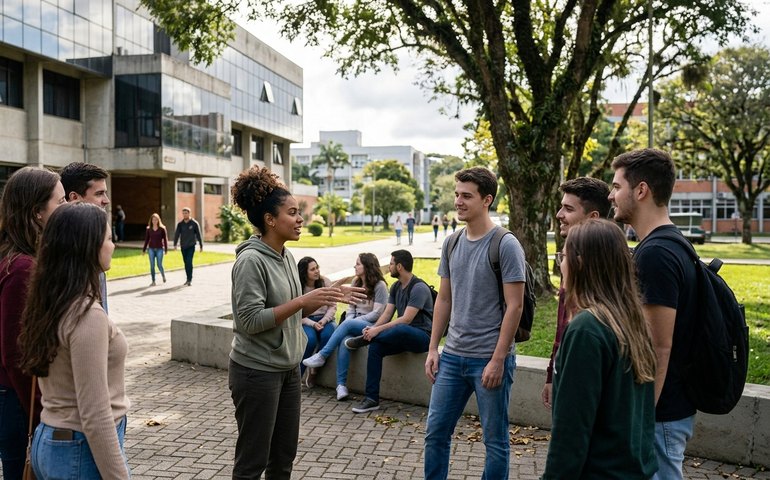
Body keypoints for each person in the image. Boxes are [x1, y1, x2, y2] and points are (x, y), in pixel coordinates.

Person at [227, 166, 365, 479]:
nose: (300, 218)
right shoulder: (250, 261)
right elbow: (249, 320)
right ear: (269, 220)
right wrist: (303, 302)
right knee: (252, 463)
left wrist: (326, 295)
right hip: (257, 372)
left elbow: (288, 311)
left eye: (299, 211)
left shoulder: (287, 256)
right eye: (292, 212)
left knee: (283, 458)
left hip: (289, 368)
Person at [424, 166, 526, 480]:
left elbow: (515, 306)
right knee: (435, 434)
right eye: (457, 194)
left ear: (487, 200)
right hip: (452, 358)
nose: (458, 201)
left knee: (494, 441)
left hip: (488, 360)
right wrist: (433, 349)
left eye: (466, 196)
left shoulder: (505, 244)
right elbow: (444, 299)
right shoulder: (452, 242)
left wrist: (497, 359)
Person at [19, 202, 130, 479]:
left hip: (52, 440)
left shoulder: (52, 301)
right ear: (87, 247)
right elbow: (94, 412)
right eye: (107, 238)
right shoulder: (86, 315)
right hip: (79, 450)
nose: (113, 245)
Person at [542, 219, 657, 478]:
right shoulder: (631, 319)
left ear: (579, 262)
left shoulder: (587, 329)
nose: (561, 264)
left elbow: (571, 432)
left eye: (563, 256)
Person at [610, 148, 698, 480]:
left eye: (617, 186)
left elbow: (658, 347)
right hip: (669, 410)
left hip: (659, 416)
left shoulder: (656, 255)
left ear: (641, 190)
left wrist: (641, 418)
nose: (611, 195)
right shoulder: (672, 243)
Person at [0, 167, 65, 480]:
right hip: (15, 400)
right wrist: (41, 413)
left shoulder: (18, 259)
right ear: (38, 212)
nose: (65, 208)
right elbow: (15, 355)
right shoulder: (22, 268)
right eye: (60, 201)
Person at [541, 177, 611, 409]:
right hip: (565, 374)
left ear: (593, 218)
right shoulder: (569, 261)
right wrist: (553, 374)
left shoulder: (609, 270)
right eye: (561, 206)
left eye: (568, 209)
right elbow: (563, 323)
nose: (559, 214)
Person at [345, 249, 433, 414]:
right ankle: (372, 399)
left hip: (422, 337)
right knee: (376, 348)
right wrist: (373, 329)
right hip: (401, 335)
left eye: (391, 264)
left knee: (400, 327)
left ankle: (364, 340)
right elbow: (387, 314)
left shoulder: (418, 288)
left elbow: (406, 319)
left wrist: (376, 331)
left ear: (399, 266)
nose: (389, 267)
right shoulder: (395, 287)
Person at [302, 253, 388, 401]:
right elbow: (350, 309)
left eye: (358, 264)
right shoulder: (356, 282)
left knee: (347, 324)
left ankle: (322, 355)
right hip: (354, 323)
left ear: (367, 266)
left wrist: (353, 321)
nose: (355, 266)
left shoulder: (380, 286)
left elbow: (377, 314)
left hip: (372, 325)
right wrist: (351, 320)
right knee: (344, 343)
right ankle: (341, 386)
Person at [60, 162, 111, 313]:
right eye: (99, 193)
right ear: (74, 197)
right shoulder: (59, 254)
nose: (106, 200)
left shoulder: (93, 246)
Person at [297, 256, 337, 388]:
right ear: (304, 272)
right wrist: (312, 324)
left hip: (325, 319)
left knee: (328, 336)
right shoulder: (298, 287)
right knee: (310, 340)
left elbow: (333, 305)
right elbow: (297, 313)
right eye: (312, 269)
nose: (317, 271)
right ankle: (297, 379)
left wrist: (324, 320)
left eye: (317, 267)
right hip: (307, 320)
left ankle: (313, 371)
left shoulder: (325, 282)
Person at [173, 207, 203, 286]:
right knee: (186, 263)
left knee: (189, 262)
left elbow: (199, 235)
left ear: (189, 213)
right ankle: (187, 278)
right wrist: (175, 244)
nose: (184, 214)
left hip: (191, 246)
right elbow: (177, 235)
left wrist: (201, 245)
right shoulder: (180, 224)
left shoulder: (194, 223)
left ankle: (189, 279)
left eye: (186, 213)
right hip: (183, 246)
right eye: (183, 213)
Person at [143, 213, 168, 286]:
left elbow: (165, 240)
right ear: (151, 220)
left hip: (160, 249)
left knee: (159, 264)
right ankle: (153, 281)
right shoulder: (148, 229)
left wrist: (166, 249)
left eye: (156, 219)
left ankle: (163, 275)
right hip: (151, 249)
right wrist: (144, 250)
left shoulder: (162, 228)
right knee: (152, 265)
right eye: (153, 219)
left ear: (158, 220)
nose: (154, 221)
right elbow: (146, 240)